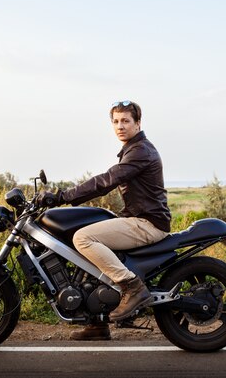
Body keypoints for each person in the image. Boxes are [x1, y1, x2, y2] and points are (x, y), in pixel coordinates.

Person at [37, 100, 171, 341]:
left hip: (147, 223)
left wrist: (62, 197)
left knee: (83, 237)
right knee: (85, 248)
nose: (120, 126)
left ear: (138, 123)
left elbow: (107, 180)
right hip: (139, 218)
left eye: (126, 121)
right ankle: (97, 324)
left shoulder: (141, 151)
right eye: (116, 121)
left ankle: (132, 287)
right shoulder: (133, 149)